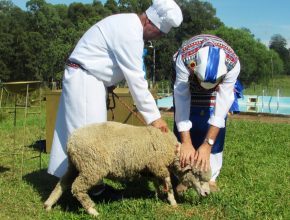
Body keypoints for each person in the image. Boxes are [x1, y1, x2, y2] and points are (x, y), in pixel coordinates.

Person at [48, 0, 183, 178]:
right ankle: (90, 188)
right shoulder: (130, 33)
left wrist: (110, 81)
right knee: (90, 138)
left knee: (82, 133)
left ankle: (75, 182)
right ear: (149, 22)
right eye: (158, 33)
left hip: (90, 79)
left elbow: (108, 59)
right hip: (85, 80)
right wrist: (155, 119)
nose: (157, 37)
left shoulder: (127, 24)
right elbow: (136, 80)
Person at [173, 34, 240, 191]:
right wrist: (186, 142)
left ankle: (210, 177)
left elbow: (220, 112)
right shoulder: (184, 59)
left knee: (211, 123)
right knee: (186, 122)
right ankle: (183, 175)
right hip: (186, 83)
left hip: (215, 92)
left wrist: (207, 144)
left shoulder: (232, 64)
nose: (204, 90)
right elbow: (181, 103)